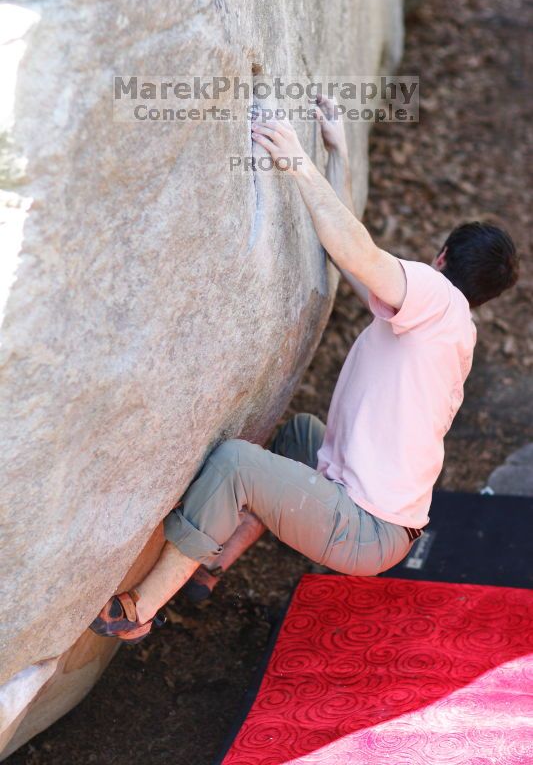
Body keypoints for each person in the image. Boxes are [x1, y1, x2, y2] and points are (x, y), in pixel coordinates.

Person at [91, 97, 519, 643]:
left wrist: (297, 158)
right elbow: (353, 254)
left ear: (440, 259)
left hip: (365, 528)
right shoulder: (445, 326)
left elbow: (358, 252)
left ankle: (138, 612)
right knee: (301, 436)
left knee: (236, 465)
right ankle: (210, 568)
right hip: (383, 528)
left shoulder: (438, 301)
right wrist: (338, 154)